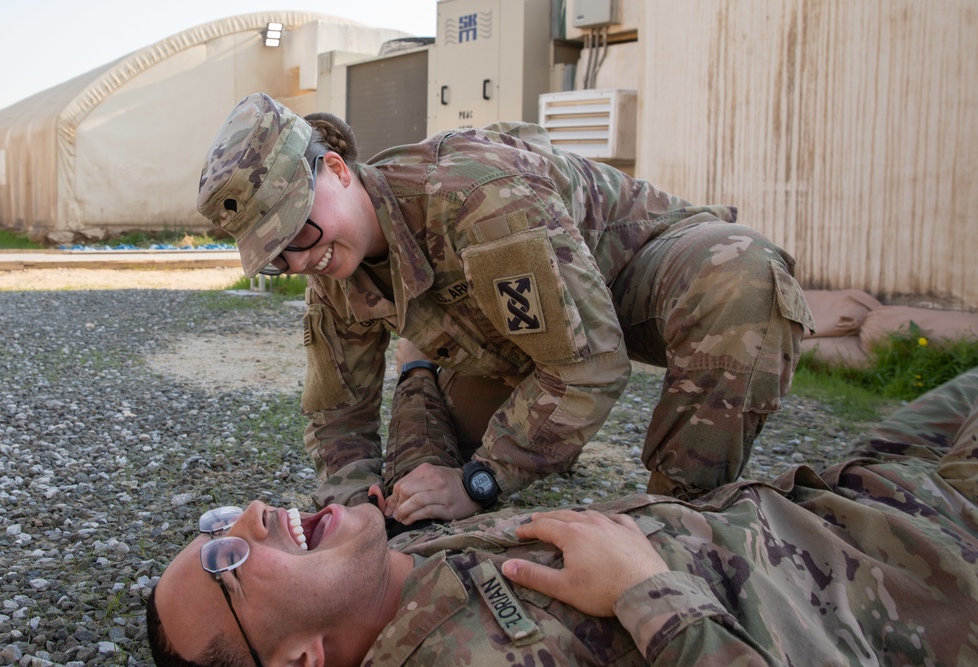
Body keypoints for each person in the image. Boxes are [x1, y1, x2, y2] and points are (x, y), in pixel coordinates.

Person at [196, 92, 816, 522]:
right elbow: (337, 416)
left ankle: (682, 519)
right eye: (276, 257)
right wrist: (356, 508)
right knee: (416, 504)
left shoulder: (475, 201)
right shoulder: (333, 268)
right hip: (513, 341)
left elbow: (590, 366)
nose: (299, 262)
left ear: (335, 169)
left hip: (628, 272)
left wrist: (480, 481)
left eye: (297, 235)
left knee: (744, 275)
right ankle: (423, 368)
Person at [146, 365, 978, 666]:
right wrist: (651, 594)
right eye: (229, 561)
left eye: (216, 524)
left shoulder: (383, 572)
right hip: (934, 567)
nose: (250, 514)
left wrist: (417, 367)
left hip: (855, 491)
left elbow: (415, 455)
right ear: (299, 661)